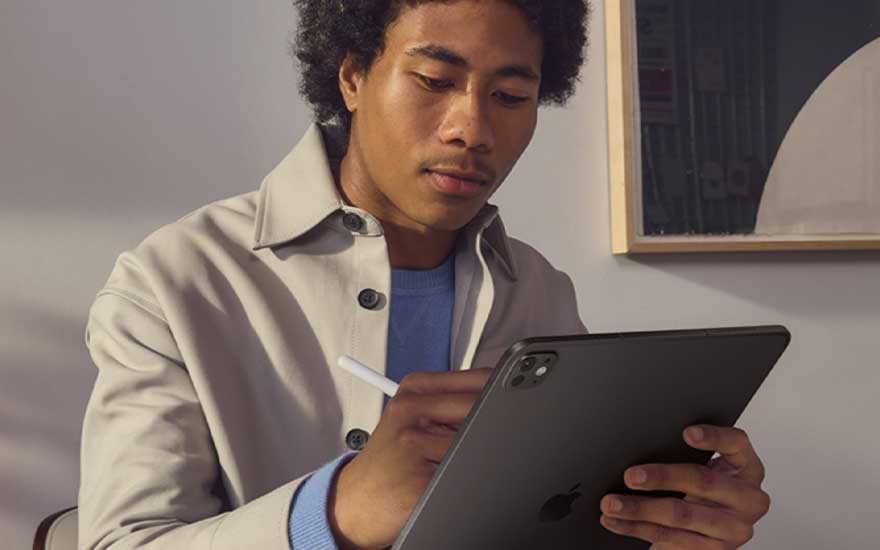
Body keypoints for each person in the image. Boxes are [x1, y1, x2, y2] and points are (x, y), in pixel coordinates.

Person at [77, 1, 771, 549]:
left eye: (509, 95)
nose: (472, 127)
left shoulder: (537, 290)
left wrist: (664, 534)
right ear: (352, 76)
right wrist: (333, 514)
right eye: (435, 81)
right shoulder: (174, 283)